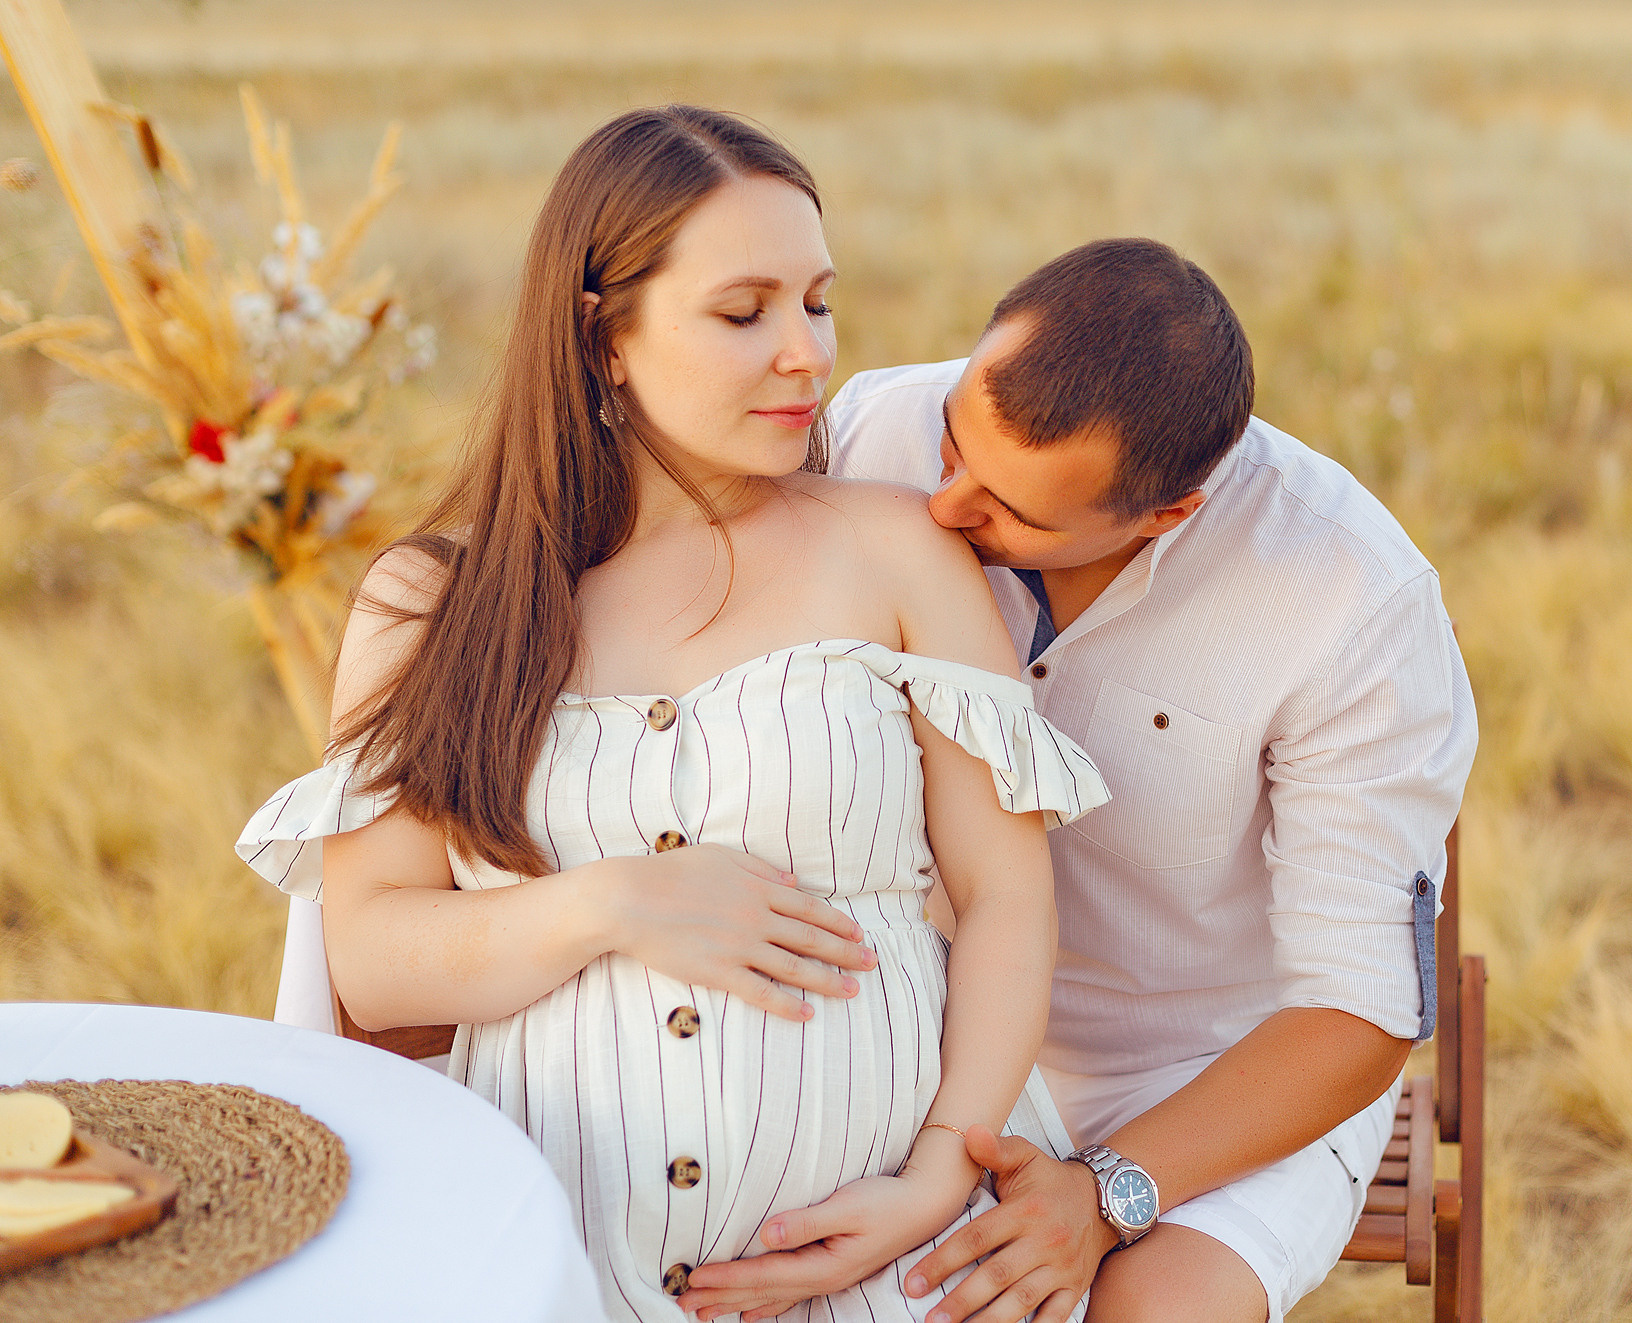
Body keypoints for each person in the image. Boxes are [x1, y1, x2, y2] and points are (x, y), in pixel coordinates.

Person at [235, 106, 1108, 1323]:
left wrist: (938, 1173)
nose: (805, 352)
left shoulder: (894, 549)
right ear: (603, 336)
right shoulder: (434, 601)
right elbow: (371, 960)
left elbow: (1012, 898)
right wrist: (613, 901)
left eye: (816, 302)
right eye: (743, 311)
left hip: (904, 1264)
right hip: (553, 1258)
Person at [678, 239, 1476, 1323]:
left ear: (1166, 514)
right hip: (910, 1024)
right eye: (954, 442)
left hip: (1208, 1076)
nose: (946, 507)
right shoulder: (869, 430)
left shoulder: (1351, 601)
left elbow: (1352, 1014)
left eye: (1015, 514)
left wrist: (1103, 1196)